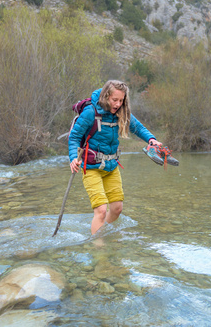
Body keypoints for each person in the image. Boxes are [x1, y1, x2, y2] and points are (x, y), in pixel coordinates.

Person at [68, 80, 162, 235]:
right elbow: (74, 137)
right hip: (91, 168)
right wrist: (73, 158)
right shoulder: (91, 112)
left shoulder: (121, 112)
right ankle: (99, 248)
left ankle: (99, 229)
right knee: (101, 210)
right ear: (106, 97)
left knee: (117, 209)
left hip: (111, 166)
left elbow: (137, 127)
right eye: (115, 100)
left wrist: (151, 139)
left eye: (121, 100)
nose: (118, 104)